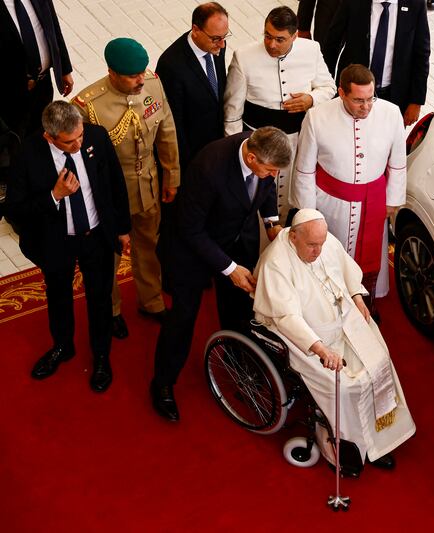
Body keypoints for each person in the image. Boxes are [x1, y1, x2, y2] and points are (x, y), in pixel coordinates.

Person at [253, 209, 415, 475]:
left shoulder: (323, 241)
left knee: (378, 359)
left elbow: (346, 268)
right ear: (293, 237)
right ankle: (345, 448)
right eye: (312, 246)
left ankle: (381, 442)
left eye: (322, 244)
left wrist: (357, 296)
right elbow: (286, 317)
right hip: (305, 337)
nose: (318, 251)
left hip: (344, 318)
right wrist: (320, 349)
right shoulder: (276, 263)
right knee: (346, 385)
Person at [151, 126, 292, 422]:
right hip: (191, 248)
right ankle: (163, 382)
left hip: (237, 239)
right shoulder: (209, 167)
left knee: (240, 306)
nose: (273, 176)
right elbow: (191, 229)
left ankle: (236, 359)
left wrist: (271, 222)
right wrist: (229, 268)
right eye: (269, 170)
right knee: (183, 318)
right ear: (251, 158)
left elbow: (263, 187)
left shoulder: (261, 153)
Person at [6, 101, 130, 392]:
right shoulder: (27, 154)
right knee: (59, 295)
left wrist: (123, 228)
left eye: (80, 137)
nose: (78, 144)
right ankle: (63, 346)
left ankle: (101, 355)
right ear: (50, 137)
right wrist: (54, 195)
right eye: (69, 141)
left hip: (97, 236)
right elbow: (14, 210)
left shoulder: (97, 137)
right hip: (56, 242)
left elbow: (115, 182)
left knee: (100, 298)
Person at [73, 38, 180, 339]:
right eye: (132, 76)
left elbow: (167, 130)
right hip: (109, 197)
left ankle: (151, 300)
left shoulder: (154, 84)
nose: (140, 80)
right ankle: (111, 310)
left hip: (148, 185)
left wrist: (172, 176)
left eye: (142, 72)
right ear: (111, 72)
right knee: (110, 257)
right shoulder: (87, 106)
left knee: (149, 247)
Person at [292, 64, 405, 310]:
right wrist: (307, 215)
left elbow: (397, 163)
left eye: (370, 99)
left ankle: (367, 302)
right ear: (341, 93)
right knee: (330, 259)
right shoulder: (316, 117)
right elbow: (304, 170)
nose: (366, 107)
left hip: (373, 203)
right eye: (358, 100)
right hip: (331, 207)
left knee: (370, 260)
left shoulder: (391, 113)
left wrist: (392, 200)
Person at [223, 5, 335, 222]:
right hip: (258, 143)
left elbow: (328, 88)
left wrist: (311, 99)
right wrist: (235, 150)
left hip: (298, 141)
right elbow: (232, 111)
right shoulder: (243, 57)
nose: (271, 44)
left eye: (280, 39)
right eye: (267, 36)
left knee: (296, 195)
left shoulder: (311, 50)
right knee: (258, 201)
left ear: (294, 36)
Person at [322, 0, 430, 126]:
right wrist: (326, 87)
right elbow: (332, 43)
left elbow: (422, 54)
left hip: (394, 94)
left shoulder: (415, 4)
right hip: (353, 92)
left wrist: (416, 101)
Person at [156, 2, 229, 170]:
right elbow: (174, 123)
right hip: (194, 155)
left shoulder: (216, 45)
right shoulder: (171, 65)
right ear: (195, 30)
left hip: (218, 145)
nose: (222, 44)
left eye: (225, 36)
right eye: (216, 38)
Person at [1, 0, 74, 139]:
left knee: (42, 136)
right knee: (15, 143)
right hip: (10, 94)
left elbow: (53, 24)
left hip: (43, 84)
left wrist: (64, 69)